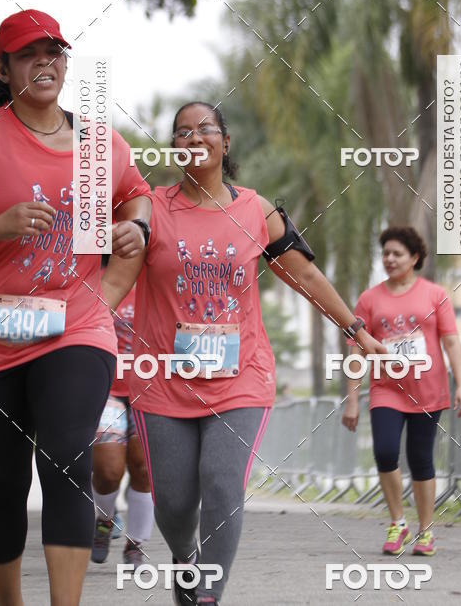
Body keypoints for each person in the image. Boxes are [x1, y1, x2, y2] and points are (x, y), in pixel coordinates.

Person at [101, 100, 386, 606]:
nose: (193, 138)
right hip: (163, 377)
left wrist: (355, 328)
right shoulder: (151, 207)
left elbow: (307, 277)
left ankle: (208, 593)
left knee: (221, 481)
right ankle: (185, 557)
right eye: (181, 132)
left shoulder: (258, 211)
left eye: (204, 129)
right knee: (173, 500)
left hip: (241, 377)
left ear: (225, 143)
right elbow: (113, 278)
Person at [0, 9, 151, 605]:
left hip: (74, 329)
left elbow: (138, 198)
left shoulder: (101, 146)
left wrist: (136, 234)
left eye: (54, 53)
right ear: (4, 69)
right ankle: (8, 600)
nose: (44, 63)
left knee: (64, 453)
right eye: (28, 55)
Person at [342, 226, 461, 556]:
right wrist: (352, 400)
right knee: (385, 451)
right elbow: (356, 349)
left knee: (421, 458)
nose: (390, 259)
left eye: (397, 253)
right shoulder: (370, 299)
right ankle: (398, 523)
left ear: (415, 258)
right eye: (385, 253)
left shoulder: (435, 294)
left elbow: (451, 341)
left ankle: (426, 532)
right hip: (387, 389)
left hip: (428, 389)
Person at [91, 283, 154, 567]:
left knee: (143, 468)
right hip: (108, 388)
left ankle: (135, 544)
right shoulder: (103, 276)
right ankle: (104, 521)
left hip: (153, 388)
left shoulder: (163, 278)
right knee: (107, 470)